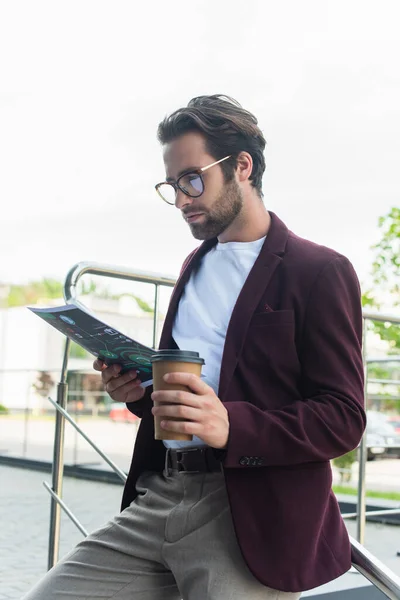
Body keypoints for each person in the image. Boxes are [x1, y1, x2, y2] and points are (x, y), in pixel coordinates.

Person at [24, 95, 366, 600]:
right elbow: (191, 391)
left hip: (248, 516)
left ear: (242, 167)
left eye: (192, 179)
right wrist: (138, 391)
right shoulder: (194, 266)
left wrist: (234, 425)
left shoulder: (318, 271)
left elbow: (342, 418)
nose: (182, 198)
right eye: (173, 186)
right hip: (159, 497)